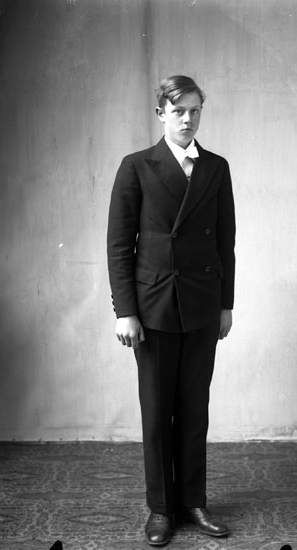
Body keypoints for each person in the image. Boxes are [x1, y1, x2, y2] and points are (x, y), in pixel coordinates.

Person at [107, 75, 236, 546]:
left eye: (195, 110)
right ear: (161, 113)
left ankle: (193, 502)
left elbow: (226, 242)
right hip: (153, 306)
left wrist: (226, 305)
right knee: (158, 412)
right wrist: (125, 311)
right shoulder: (137, 166)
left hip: (202, 304)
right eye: (178, 110)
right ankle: (161, 509)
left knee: (195, 408)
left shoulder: (216, 168)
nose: (187, 119)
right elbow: (119, 245)